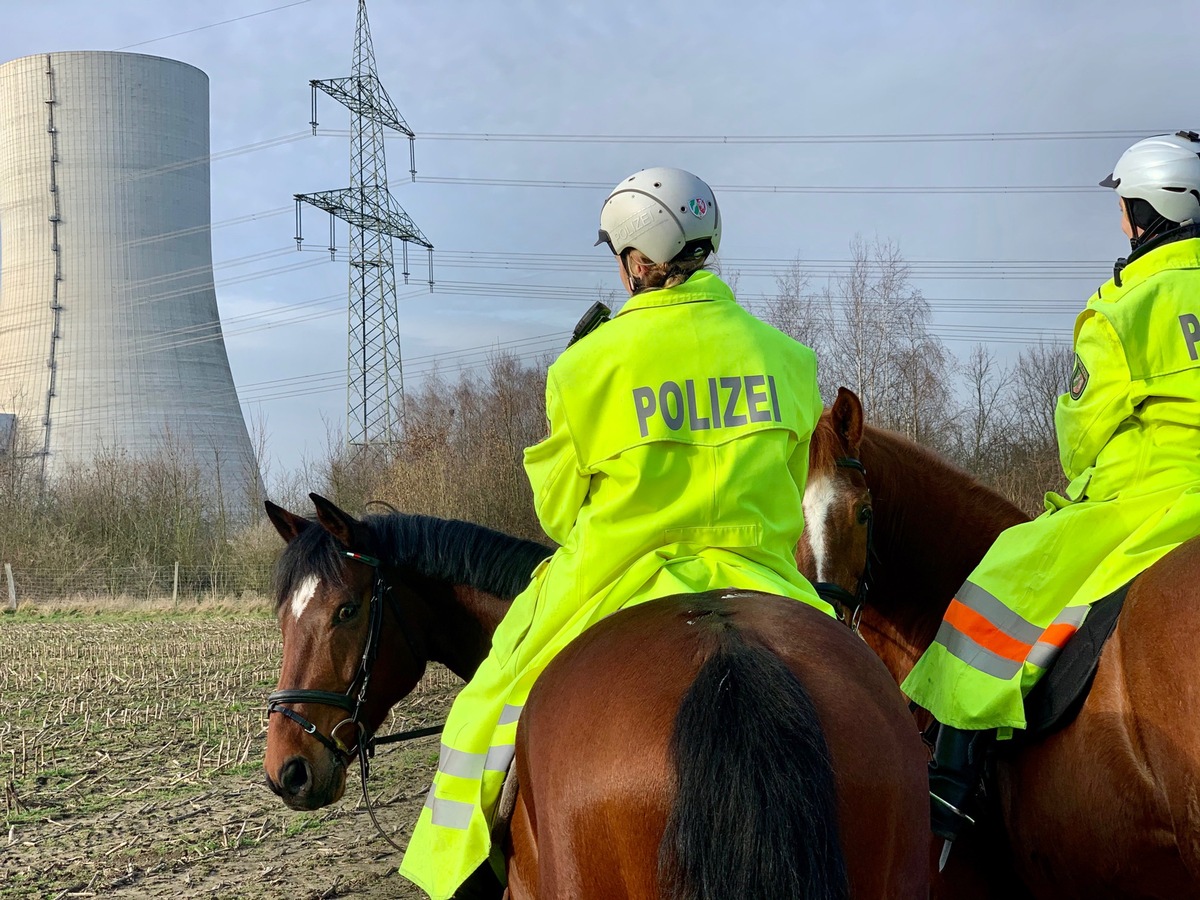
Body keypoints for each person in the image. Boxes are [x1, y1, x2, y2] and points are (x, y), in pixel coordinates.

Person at [398, 167, 834, 899]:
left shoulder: (585, 367)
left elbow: (560, 512)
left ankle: (463, 877)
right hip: (765, 578)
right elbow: (794, 488)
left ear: (636, 261)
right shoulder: (788, 360)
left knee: (484, 712)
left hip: (619, 577)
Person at [902, 131, 1200, 843]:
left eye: (1124, 207)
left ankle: (951, 780)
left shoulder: (1121, 310)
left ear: (1141, 211)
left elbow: (1082, 439)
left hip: (1151, 497)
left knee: (1004, 576)